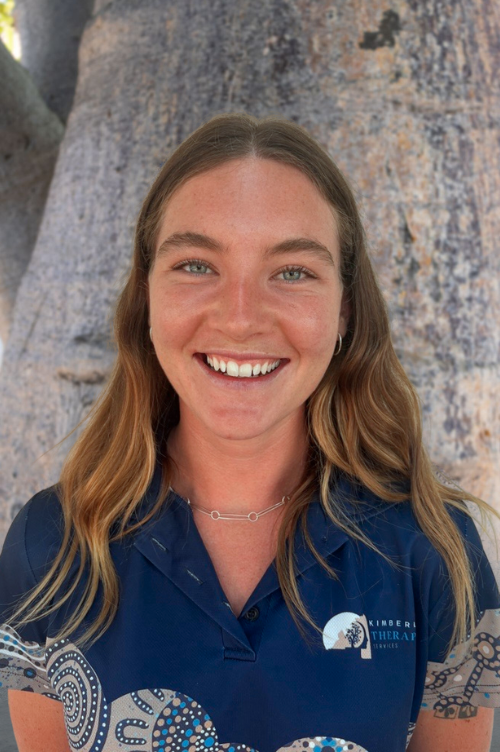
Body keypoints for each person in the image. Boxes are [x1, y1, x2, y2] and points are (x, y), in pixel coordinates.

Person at [0, 112, 499, 752]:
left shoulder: (440, 553)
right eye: (195, 265)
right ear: (146, 296)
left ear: (344, 311)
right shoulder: (46, 548)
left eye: (292, 271)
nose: (240, 319)